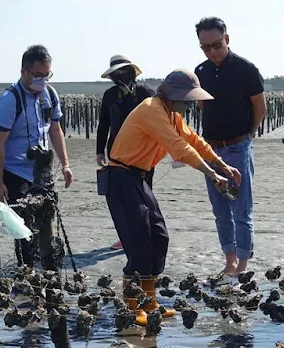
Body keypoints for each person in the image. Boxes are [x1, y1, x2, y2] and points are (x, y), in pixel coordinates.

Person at [104, 69, 241, 326]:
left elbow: (195, 141)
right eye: (187, 100)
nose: (189, 105)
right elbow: (179, 148)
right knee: (139, 243)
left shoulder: (172, 114)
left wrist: (222, 165)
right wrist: (212, 174)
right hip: (120, 178)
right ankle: (134, 307)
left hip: (137, 178)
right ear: (172, 95)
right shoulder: (152, 109)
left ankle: (150, 301)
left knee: (159, 237)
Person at [194, 16, 266, 277]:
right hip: (211, 150)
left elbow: (260, 106)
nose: (212, 52)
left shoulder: (246, 69)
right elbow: (203, 106)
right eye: (205, 47)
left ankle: (244, 265)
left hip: (238, 146)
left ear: (227, 39)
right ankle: (230, 261)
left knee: (241, 209)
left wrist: (248, 134)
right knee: (220, 210)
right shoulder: (200, 71)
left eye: (216, 45)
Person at [0, 44, 73, 269]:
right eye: (38, 76)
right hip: (15, 173)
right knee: (25, 232)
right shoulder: (9, 100)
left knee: (47, 225)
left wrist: (65, 164)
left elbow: (55, 130)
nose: (42, 81)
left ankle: (47, 270)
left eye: (47, 76)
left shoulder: (49, 94)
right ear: (23, 71)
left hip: (43, 174)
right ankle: (28, 272)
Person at [96, 55, 155, 251]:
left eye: (123, 72)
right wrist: (99, 150)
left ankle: (146, 233)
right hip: (116, 153)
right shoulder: (110, 95)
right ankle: (126, 235)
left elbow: (158, 119)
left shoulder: (145, 92)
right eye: (115, 73)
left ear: (131, 72)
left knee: (144, 193)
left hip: (144, 153)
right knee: (122, 196)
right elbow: (104, 123)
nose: (119, 76)